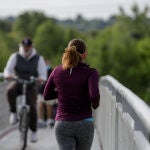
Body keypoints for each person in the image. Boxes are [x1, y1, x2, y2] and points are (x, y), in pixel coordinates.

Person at [43, 39, 100, 150]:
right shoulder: (91, 72)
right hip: (84, 122)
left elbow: (46, 95)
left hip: (62, 123)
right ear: (85, 54)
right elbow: (94, 96)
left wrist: (63, 92)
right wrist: (95, 105)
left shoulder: (56, 71)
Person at [4, 38, 47, 142]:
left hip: (31, 84)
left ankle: (33, 132)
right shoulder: (15, 56)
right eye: (24, 46)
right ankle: (13, 112)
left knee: (32, 106)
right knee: (10, 90)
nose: (26, 48)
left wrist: (41, 78)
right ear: (21, 46)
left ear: (32, 46)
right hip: (18, 81)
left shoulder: (38, 58)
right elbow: (8, 69)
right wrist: (8, 75)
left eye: (28, 46)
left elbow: (42, 72)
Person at [37, 60, 57, 128]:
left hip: (49, 91)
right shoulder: (39, 70)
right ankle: (41, 120)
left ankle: (49, 120)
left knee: (49, 105)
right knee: (40, 105)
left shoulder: (51, 70)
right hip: (40, 91)